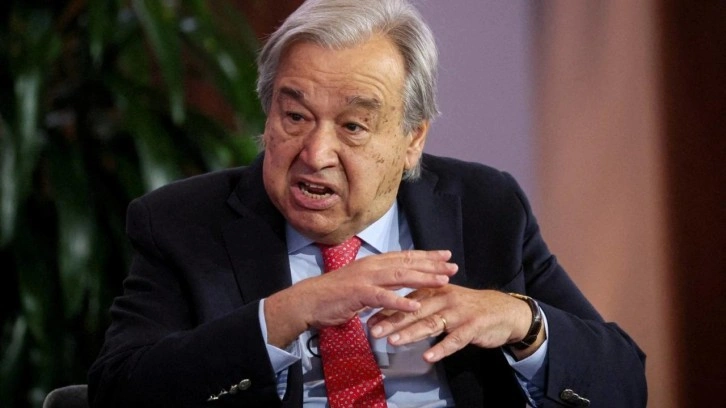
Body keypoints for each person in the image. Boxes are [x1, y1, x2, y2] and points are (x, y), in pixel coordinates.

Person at [88, 0, 647, 406]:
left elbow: (623, 382)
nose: (315, 154)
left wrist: (522, 321)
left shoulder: (484, 207)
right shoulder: (185, 223)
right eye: (295, 116)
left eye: (353, 126)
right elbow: (119, 391)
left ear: (412, 140)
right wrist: (288, 312)